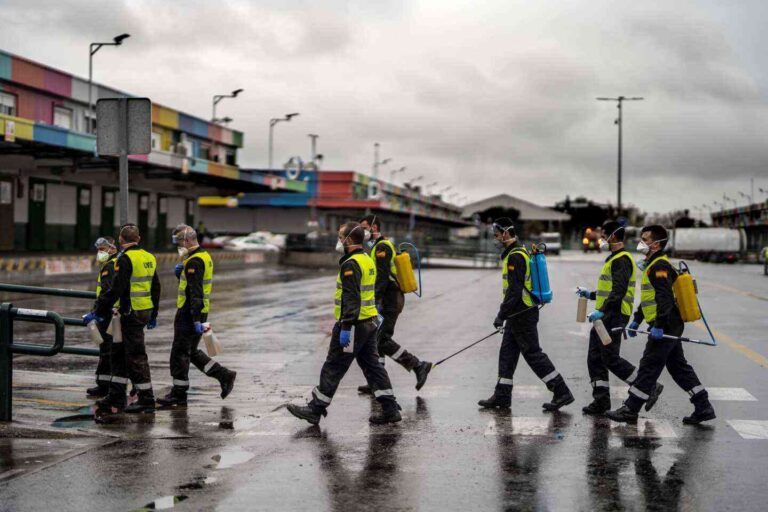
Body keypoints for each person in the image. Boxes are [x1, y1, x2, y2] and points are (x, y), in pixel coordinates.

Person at [287, 222, 402, 425]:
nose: (338, 240)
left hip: (354, 325)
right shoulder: (366, 259)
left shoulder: (351, 264)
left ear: (349, 240)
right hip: (368, 322)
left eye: (340, 236)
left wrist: (346, 327)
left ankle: (315, 409)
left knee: (334, 365)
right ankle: (390, 409)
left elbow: (351, 298)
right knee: (373, 367)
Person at [606, 225, 716, 425]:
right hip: (667, 323)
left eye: (646, 239)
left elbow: (664, 300)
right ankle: (703, 406)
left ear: (657, 244)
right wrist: (638, 319)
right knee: (678, 367)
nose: (642, 243)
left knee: (649, 365)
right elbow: (651, 297)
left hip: (666, 324)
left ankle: (631, 409)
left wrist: (658, 325)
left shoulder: (659, 267)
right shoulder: (653, 265)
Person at [478, 218, 573, 411]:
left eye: (497, 235)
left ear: (505, 233)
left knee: (532, 354)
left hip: (522, 312)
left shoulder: (516, 256)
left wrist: (501, 314)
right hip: (517, 313)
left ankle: (561, 391)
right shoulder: (515, 253)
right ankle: (502, 396)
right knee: (507, 354)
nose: (495, 239)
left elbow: (514, 290)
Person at [576, 220, 662, 415]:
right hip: (606, 315)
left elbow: (618, 292)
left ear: (613, 236)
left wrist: (603, 311)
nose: (601, 238)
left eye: (603, 234)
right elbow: (609, 291)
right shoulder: (615, 258)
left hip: (613, 315)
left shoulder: (621, 259)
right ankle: (601, 401)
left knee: (610, 358)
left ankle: (648, 386)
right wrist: (590, 295)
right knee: (595, 358)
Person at [85, 224, 160, 417]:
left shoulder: (124, 259)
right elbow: (156, 287)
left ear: (120, 240)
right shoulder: (149, 257)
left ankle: (147, 399)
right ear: (139, 238)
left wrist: (98, 310)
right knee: (117, 354)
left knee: (135, 356)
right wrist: (154, 313)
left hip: (130, 313)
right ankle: (116, 395)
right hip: (142, 311)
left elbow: (116, 289)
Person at [157, 224, 236, 408]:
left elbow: (196, 292)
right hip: (197, 311)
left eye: (179, 242)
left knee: (179, 353)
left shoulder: (194, 261)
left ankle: (178, 395)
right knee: (190, 352)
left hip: (189, 312)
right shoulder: (202, 256)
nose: (178, 246)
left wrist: (195, 319)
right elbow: (193, 287)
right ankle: (223, 375)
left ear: (187, 240)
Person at [357, 214, 432, 394]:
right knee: (375, 339)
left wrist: (374, 301)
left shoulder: (382, 247)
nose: (362, 231)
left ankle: (417, 365)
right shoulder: (377, 246)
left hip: (389, 299)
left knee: (382, 339)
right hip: (386, 298)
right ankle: (376, 380)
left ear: (374, 228)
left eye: (364, 227)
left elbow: (382, 278)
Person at [86, 236, 119, 399]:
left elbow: (107, 292)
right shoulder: (111, 264)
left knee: (107, 351)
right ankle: (104, 384)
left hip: (108, 314)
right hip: (110, 313)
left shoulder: (110, 266)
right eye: (98, 250)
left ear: (112, 249)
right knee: (107, 350)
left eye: (103, 249)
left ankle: (105, 387)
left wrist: (97, 312)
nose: (100, 253)